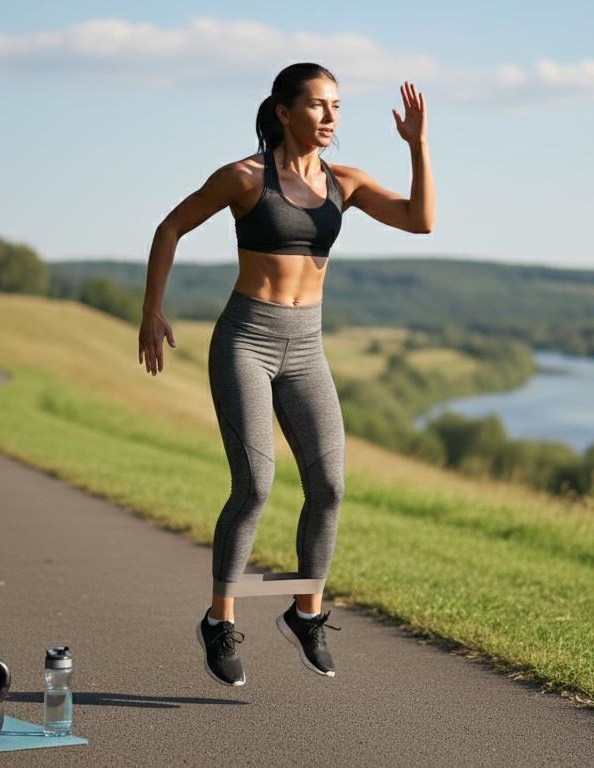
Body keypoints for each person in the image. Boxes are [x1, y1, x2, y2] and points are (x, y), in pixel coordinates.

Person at [137, 63, 434, 686]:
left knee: (329, 486)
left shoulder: (344, 182)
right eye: (319, 105)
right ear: (283, 111)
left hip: (307, 348)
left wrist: (418, 145)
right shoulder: (245, 177)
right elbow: (171, 227)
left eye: (337, 106)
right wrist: (151, 311)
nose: (331, 117)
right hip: (246, 340)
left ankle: (305, 611)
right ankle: (220, 620)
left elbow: (419, 220)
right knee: (255, 486)